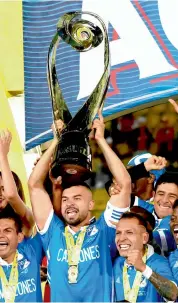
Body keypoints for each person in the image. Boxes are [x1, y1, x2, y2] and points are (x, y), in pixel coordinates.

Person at [28, 111, 131, 302]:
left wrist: (100, 140)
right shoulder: (52, 233)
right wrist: (56, 142)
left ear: (91, 203)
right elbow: (34, 184)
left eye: (77, 198)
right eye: (65, 199)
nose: (69, 204)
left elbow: (124, 184)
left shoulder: (104, 231)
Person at [113, 208, 177, 302]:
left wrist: (143, 268)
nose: (121, 238)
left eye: (129, 232)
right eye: (118, 233)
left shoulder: (158, 262)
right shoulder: (116, 263)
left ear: (144, 238)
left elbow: (173, 294)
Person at [0, 205, 43, 302]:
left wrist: (12, 196)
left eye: (7, 230)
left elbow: (30, 219)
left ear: (19, 237)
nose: (1, 235)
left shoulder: (31, 252)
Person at [0, 130, 34, 237]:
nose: (0, 194)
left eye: (3, 188)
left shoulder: (26, 218)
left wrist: (3, 156)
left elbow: (11, 195)